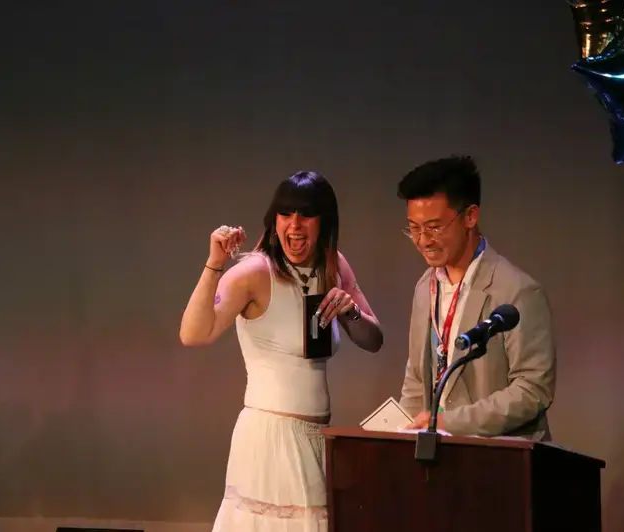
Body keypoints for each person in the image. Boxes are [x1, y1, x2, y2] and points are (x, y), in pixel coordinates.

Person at [179, 171, 383, 530]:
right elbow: (194, 334)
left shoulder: (333, 265)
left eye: (306, 215)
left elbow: (373, 340)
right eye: (286, 214)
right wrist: (214, 264)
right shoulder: (256, 272)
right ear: (274, 220)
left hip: (318, 439)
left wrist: (350, 312)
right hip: (270, 440)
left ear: (324, 221)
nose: (295, 225)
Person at [396, 155, 556, 440]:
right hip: (439, 455)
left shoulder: (517, 291)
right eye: (414, 228)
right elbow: (417, 379)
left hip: (499, 454)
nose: (423, 240)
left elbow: (532, 389)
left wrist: (448, 423)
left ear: (470, 216)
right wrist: (403, 437)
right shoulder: (425, 287)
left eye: (434, 227)